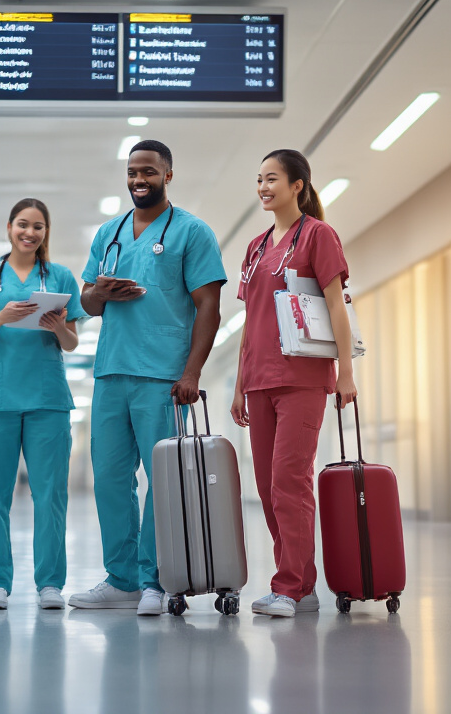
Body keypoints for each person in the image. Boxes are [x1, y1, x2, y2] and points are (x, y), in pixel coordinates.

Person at [69, 139, 226, 616]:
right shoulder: (108, 235)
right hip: (112, 372)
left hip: (163, 376)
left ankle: (156, 579)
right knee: (111, 479)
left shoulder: (192, 233)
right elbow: (87, 304)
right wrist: (102, 293)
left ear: (168, 175)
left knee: (162, 480)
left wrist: (192, 371)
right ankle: (122, 580)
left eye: (149, 173)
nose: (139, 180)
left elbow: (209, 308)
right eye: (133, 172)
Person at [229, 148, 357, 618]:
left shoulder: (318, 235)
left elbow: (336, 306)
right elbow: (251, 319)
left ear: (297, 185)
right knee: (267, 485)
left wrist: (346, 371)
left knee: (290, 479)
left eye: (272, 179)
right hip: (260, 379)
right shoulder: (257, 246)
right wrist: (239, 384)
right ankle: (301, 585)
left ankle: (288, 585)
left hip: (302, 379)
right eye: (259, 180)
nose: (263, 187)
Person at [0, 199, 87, 611]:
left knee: (50, 495)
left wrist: (56, 328)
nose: (29, 233)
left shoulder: (60, 277)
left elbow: (71, 342)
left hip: (47, 401)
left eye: (38, 227)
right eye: (22, 225)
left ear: (46, 232)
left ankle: (50, 583)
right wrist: (1, 318)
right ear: (9, 227)